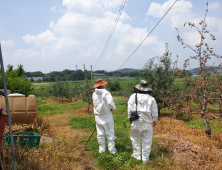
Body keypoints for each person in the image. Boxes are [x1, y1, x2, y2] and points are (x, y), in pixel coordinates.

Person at [128, 80, 158, 163]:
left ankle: (137, 155)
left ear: (139, 88)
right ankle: (145, 159)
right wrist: (155, 120)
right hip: (147, 123)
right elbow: (154, 111)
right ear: (147, 89)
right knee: (147, 141)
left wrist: (130, 118)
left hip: (136, 122)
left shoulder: (133, 96)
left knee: (135, 139)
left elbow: (130, 109)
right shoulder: (151, 99)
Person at [92, 79, 117, 154]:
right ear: (102, 85)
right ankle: (112, 149)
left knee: (100, 133)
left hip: (98, 116)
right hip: (106, 116)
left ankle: (102, 149)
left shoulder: (94, 94)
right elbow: (110, 102)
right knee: (109, 131)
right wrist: (113, 108)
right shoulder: (106, 93)